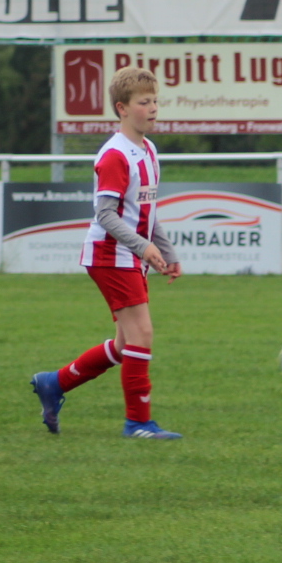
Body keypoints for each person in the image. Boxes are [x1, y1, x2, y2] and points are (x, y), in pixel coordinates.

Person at [30, 67, 184, 440]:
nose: (153, 108)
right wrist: (143, 246)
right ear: (122, 108)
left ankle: (54, 383)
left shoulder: (148, 150)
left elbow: (146, 212)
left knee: (124, 344)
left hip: (129, 255)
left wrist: (166, 251)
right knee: (142, 334)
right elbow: (105, 215)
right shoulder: (115, 155)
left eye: (155, 101)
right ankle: (138, 423)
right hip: (110, 255)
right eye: (144, 102)